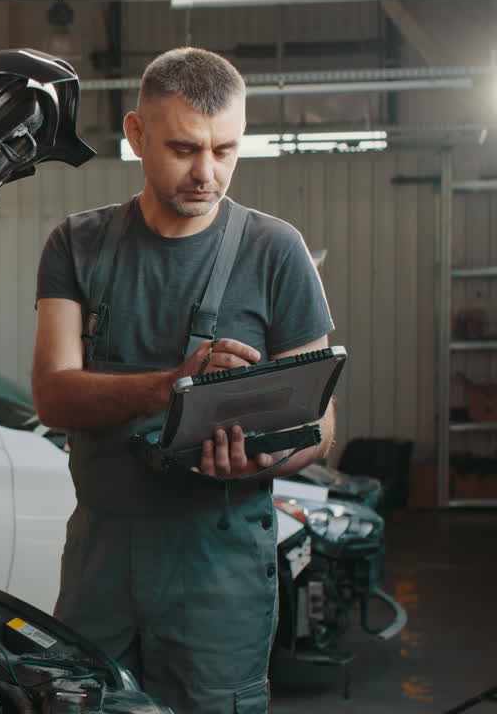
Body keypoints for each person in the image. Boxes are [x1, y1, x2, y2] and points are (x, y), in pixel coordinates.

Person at [31, 47, 336, 713]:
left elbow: (321, 427)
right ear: (136, 134)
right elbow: (53, 393)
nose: (208, 173)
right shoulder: (77, 245)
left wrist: (266, 454)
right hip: (101, 561)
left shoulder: (275, 250)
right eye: (184, 148)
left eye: (226, 150)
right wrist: (174, 386)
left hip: (218, 569)